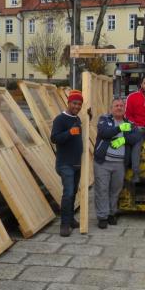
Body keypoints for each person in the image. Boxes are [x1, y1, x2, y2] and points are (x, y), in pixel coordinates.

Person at [93, 98, 143, 228]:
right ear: (111, 108)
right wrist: (119, 128)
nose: (119, 107)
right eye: (116, 105)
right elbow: (104, 133)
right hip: (103, 162)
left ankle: (111, 213)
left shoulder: (129, 123)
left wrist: (123, 140)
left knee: (115, 190)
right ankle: (102, 217)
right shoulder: (104, 119)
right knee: (102, 190)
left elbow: (137, 136)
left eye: (121, 105)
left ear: (124, 108)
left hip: (119, 164)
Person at [50, 90, 84, 236]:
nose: (77, 106)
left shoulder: (78, 119)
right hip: (65, 164)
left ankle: (70, 219)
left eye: (79, 104)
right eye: (74, 103)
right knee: (68, 193)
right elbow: (54, 138)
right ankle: (64, 225)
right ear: (68, 103)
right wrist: (70, 132)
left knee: (73, 192)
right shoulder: (60, 119)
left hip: (77, 163)